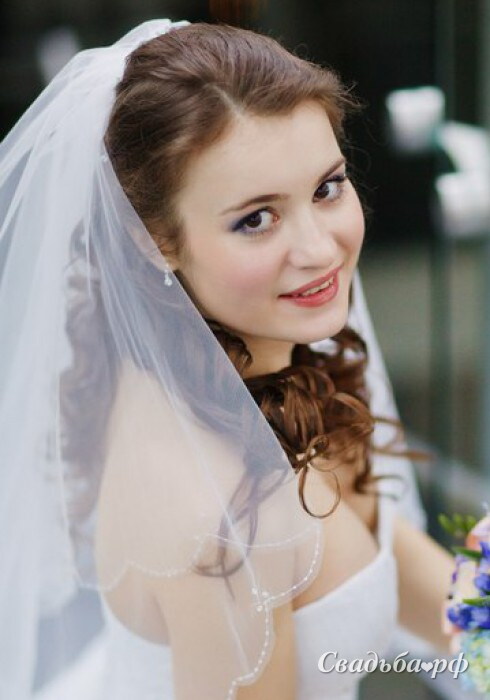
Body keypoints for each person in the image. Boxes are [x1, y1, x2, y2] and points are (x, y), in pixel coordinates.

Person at [0, 18, 455, 700]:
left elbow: (384, 545)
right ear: (155, 241)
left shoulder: (269, 357)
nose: (320, 249)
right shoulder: (221, 515)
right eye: (256, 219)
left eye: (327, 187)